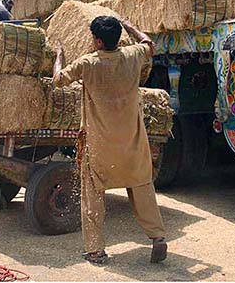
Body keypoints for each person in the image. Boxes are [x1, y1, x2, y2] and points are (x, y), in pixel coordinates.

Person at [53, 16, 167, 265]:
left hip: (101, 146)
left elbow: (58, 80)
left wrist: (59, 54)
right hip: (133, 142)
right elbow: (149, 44)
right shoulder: (132, 55)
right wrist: (128, 25)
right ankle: (157, 237)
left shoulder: (88, 63)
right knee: (142, 189)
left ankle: (95, 250)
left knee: (92, 195)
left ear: (97, 41)